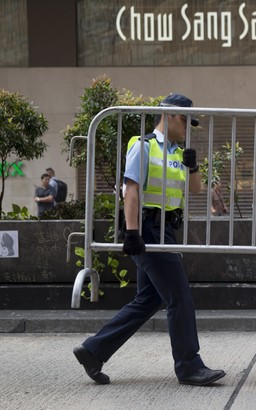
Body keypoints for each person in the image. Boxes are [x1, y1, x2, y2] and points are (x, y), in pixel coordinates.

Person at [73, 93, 226, 386]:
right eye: (184, 120)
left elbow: (194, 190)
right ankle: (189, 366)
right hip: (147, 228)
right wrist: (132, 232)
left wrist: (192, 165)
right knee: (179, 296)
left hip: (166, 230)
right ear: (166, 115)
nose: (187, 127)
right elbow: (132, 189)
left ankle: (93, 350)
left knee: (148, 299)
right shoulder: (143, 146)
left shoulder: (176, 151)